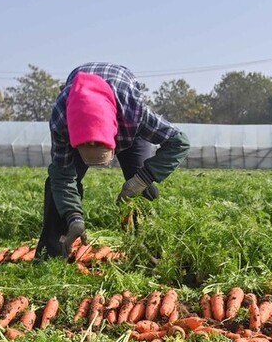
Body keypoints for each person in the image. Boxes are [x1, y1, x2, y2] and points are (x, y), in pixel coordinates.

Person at [42, 62, 190, 257]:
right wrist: (73, 215)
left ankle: (149, 251)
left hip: (123, 117)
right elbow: (62, 175)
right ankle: (54, 252)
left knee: (142, 190)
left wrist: (141, 180)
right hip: (77, 123)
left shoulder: (133, 112)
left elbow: (179, 142)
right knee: (57, 184)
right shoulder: (62, 120)